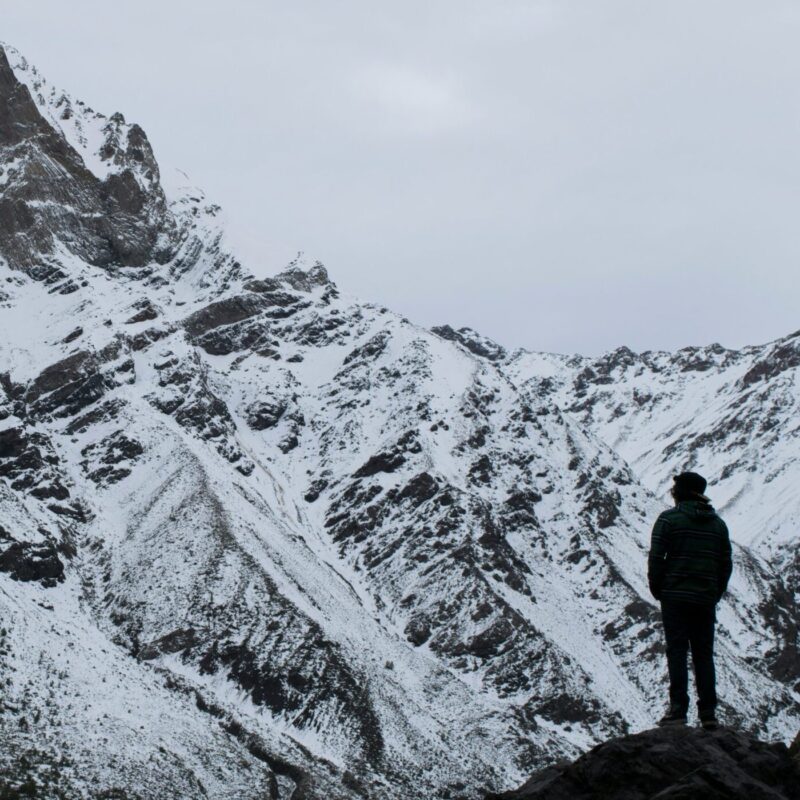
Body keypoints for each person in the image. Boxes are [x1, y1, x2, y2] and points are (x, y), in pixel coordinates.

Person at [647, 471, 732, 730]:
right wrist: (714, 593)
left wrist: (659, 589)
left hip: (674, 596)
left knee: (677, 651)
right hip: (704, 598)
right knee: (703, 654)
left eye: (675, 488)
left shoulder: (668, 520)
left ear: (681, 492)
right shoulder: (718, 525)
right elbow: (725, 564)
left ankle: (678, 711)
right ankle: (708, 713)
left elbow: (656, 558)